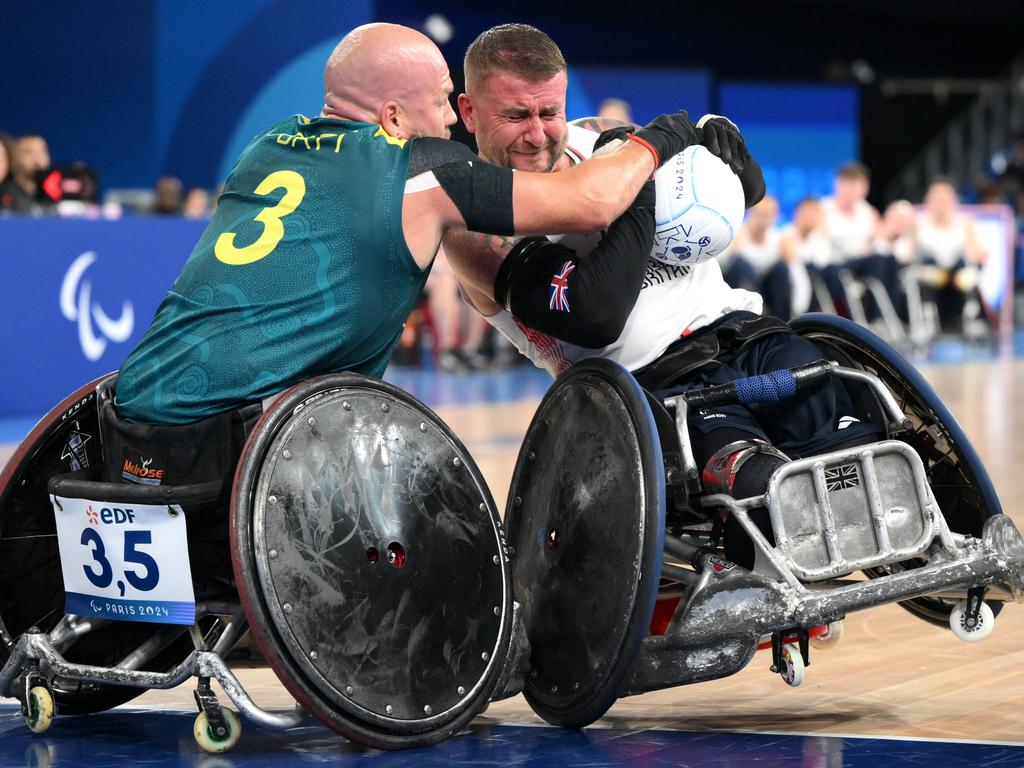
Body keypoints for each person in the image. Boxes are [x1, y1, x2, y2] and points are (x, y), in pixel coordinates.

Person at [113, 22, 701, 427]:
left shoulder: (265, 148)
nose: (452, 118)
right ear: (393, 117)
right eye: (444, 100)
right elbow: (592, 203)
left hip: (136, 403)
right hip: (247, 435)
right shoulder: (425, 168)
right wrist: (655, 142)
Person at [444, 24, 879, 567]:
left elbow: (746, 192)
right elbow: (596, 315)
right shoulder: (473, 226)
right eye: (515, 116)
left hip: (741, 332)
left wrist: (731, 154)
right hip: (653, 388)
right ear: (468, 110)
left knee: (852, 439)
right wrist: (638, 182)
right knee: (758, 481)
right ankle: (760, 572)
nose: (537, 134)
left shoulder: (597, 135)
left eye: (548, 113)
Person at [914, 179, 987, 332]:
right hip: (930, 273)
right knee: (931, 265)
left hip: (955, 275)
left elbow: (977, 252)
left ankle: (962, 319)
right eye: (937, 200)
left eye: (944, 200)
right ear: (929, 201)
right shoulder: (918, 224)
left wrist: (980, 259)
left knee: (962, 268)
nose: (941, 205)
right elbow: (908, 254)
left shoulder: (964, 223)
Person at [0, 134, 52, 214]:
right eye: (29, 152)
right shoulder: (5, 193)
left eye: (42, 151)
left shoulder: (56, 193)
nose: (37, 159)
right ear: (14, 159)